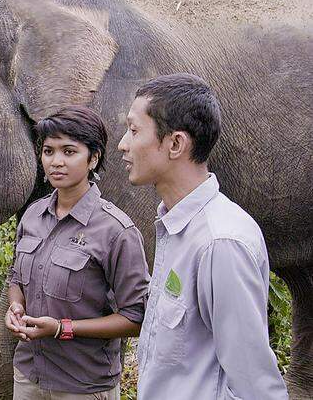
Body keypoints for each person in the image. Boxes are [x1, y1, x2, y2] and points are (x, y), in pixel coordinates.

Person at [118, 73, 288, 399]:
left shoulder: (220, 244)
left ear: (176, 144)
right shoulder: (174, 227)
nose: (124, 143)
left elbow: (255, 387)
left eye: (135, 130)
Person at [4, 106, 150, 399]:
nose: (56, 161)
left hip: (83, 385)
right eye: (48, 151)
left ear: (93, 158)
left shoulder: (116, 231)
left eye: (69, 152)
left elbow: (136, 318)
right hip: (28, 373)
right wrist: (15, 306)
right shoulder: (32, 216)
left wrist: (61, 328)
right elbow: (16, 276)